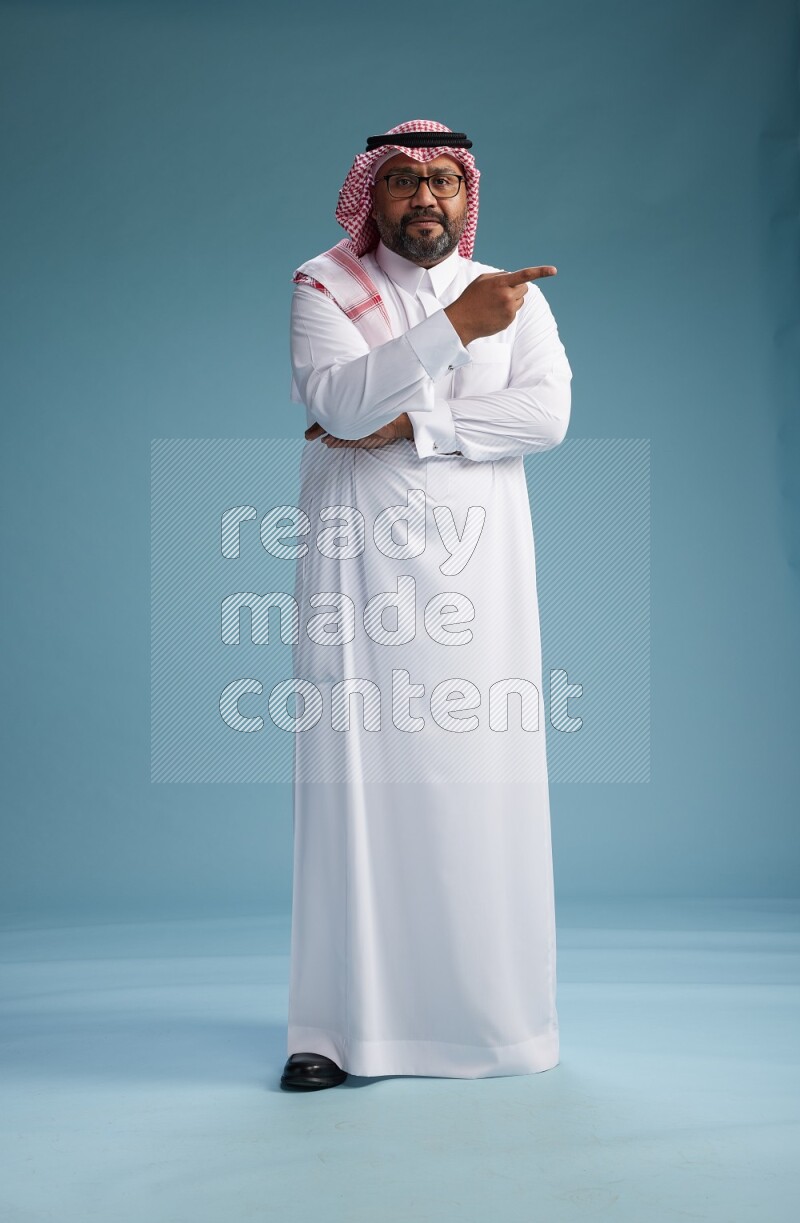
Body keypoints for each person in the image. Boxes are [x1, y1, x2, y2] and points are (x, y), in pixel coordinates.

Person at [280, 119, 572, 1091]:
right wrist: (449, 333)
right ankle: (331, 1028)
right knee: (353, 784)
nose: (425, 200)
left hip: (477, 573)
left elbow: (545, 415)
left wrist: (424, 422)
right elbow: (337, 400)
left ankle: (493, 1022)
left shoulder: (510, 297)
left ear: (465, 193)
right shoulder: (323, 283)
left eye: (443, 182)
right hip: (354, 568)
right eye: (404, 182)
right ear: (371, 195)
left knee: (476, 780)